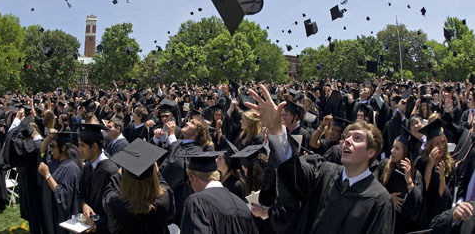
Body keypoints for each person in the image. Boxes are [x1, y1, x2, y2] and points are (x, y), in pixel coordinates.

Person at [246, 84, 395, 234]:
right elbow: (293, 170)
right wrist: (277, 131)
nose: (347, 140)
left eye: (357, 138)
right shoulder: (324, 172)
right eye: (346, 136)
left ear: (371, 152)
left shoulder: (379, 200)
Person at [104, 139, 175, 234]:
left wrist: (118, 175)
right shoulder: (165, 199)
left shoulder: (117, 204)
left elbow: (109, 190)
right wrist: (157, 173)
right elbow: (170, 219)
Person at [180, 151, 258, 233]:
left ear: (194, 178)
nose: (191, 186)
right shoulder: (242, 206)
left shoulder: (197, 203)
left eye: (189, 182)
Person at [374, 134, 423, 233]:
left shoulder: (415, 175)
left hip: (400, 226)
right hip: (381, 220)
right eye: (393, 147)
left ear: (405, 153)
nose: (392, 151)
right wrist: (389, 198)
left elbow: (416, 206)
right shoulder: (384, 165)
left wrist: (408, 179)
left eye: (397, 148)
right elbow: (373, 189)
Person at [77, 123, 119, 233]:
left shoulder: (111, 171)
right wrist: (84, 205)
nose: (79, 149)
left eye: (82, 146)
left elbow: (116, 210)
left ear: (94, 146)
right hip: (87, 226)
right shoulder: (87, 166)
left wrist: (98, 226)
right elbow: (80, 193)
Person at [38, 130, 82, 234]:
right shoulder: (55, 162)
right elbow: (41, 152)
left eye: (53, 146)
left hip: (62, 219)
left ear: (63, 148)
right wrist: (49, 137)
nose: (51, 150)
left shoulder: (71, 168)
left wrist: (48, 176)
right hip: (51, 214)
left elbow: (65, 196)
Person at [415, 117, 454, 230]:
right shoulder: (421, 162)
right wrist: (430, 165)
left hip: (439, 212)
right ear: (430, 145)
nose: (441, 146)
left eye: (442, 142)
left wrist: (442, 177)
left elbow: (444, 196)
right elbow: (423, 189)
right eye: (437, 143)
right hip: (423, 212)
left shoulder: (449, 165)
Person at [9, 121, 45, 233]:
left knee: (37, 211)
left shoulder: (37, 144)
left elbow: (13, 141)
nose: (24, 141)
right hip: (32, 181)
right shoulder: (37, 143)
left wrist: (17, 122)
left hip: (36, 183)